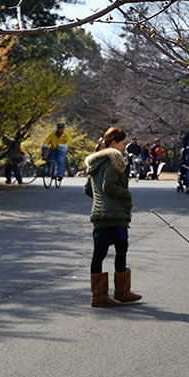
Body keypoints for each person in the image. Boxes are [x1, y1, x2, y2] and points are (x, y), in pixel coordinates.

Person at [83, 127, 142, 308]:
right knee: (119, 248)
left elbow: (88, 189)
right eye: (123, 143)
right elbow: (108, 185)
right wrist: (125, 195)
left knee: (103, 252)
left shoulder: (96, 162)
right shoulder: (112, 160)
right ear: (114, 143)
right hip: (114, 215)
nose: (124, 146)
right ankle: (116, 293)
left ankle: (108, 294)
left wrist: (101, 200)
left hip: (101, 214)